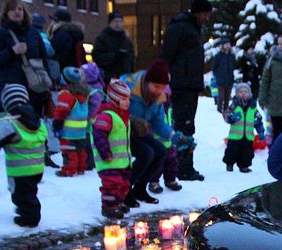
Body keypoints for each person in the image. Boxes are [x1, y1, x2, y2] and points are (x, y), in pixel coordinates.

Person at [0, 84, 47, 227]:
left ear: (6, 102)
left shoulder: (9, 123)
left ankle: (29, 219)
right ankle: (28, 211)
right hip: (37, 167)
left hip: (20, 169)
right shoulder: (37, 120)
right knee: (30, 192)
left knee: (21, 195)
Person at [160, 0, 212, 181]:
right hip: (182, 84)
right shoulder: (181, 27)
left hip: (190, 84)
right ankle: (181, 167)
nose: (207, 18)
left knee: (188, 125)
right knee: (183, 125)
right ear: (197, 12)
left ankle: (185, 166)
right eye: (205, 14)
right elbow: (166, 54)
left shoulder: (194, 27)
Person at [121, 59, 184, 206]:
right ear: (147, 82)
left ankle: (140, 188)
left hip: (140, 133)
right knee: (147, 153)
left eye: (163, 87)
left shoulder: (158, 99)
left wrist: (175, 137)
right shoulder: (128, 90)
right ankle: (125, 190)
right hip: (121, 133)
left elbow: (159, 123)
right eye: (156, 86)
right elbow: (112, 108)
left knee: (161, 151)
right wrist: (131, 120)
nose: (159, 91)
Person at [0, 0, 50, 115]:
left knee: (35, 127)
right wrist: (12, 51)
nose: (17, 12)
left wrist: (46, 82)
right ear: (6, 13)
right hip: (11, 91)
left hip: (35, 90)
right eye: (12, 9)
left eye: (20, 9)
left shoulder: (34, 34)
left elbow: (43, 59)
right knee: (12, 129)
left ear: (24, 12)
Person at [91, 79, 132, 219]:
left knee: (123, 184)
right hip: (108, 160)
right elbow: (99, 135)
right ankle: (109, 207)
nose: (127, 102)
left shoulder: (122, 115)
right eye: (124, 99)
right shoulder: (107, 115)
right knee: (111, 185)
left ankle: (118, 203)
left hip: (121, 160)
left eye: (128, 99)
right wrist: (105, 152)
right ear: (115, 99)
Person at [53, 67, 91, 177]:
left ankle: (68, 170)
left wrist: (57, 125)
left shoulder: (66, 95)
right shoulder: (83, 94)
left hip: (68, 131)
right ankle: (80, 168)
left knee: (69, 151)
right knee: (80, 150)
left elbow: (61, 111)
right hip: (81, 131)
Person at [223, 83, 265, 173]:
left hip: (248, 135)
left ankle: (244, 166)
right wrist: (231, 117)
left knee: (247, 152)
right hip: (235, 135)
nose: (243, 94)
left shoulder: (253, 107)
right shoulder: (234, 105)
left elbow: (258, 120)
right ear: (237, 93)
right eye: (240, 92)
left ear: (249, 93)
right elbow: (226, 114)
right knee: (232, 150)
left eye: (246, 92)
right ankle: (229, 164)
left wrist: (261, 131)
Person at [149, 85, 182, 193]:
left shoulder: (170, 107)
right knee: (157, 165)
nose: (165, 98)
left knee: (172, 163)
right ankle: (154, 182)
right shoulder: (153, 108)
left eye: (167, 96)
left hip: (170, 142)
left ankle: (170, 180)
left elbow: (171, 121)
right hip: (157, 142)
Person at [92, 11, 135, 84]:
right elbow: (97, 57)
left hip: (125, 78)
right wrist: (114, 56)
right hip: (108, 78)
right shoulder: (102, 38)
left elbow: (132, 60)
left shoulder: (127, 41)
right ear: (110, 23)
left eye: (120, 21)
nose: (118, 24)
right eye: (115, 21)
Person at [212, 39, 236, 113]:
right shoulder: (218, 56)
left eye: (228, 44)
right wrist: (218, 76)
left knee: (227, 97)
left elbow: (234, 66)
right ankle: (219, 109)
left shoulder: (232, 56)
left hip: (229, 79)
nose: (227, 46)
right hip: (221, 79)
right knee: (221, 96)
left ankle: (226, 109)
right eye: (226, 44)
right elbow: (214, 67)